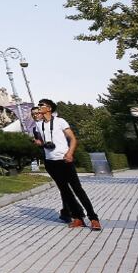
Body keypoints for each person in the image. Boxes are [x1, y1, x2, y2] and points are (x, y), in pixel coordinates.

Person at [34, 99, 101, 231]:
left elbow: (73, 139)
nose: (39, 107)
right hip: (50, 161)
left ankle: (93, 218)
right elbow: (44, 142)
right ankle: (78, 218)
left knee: (78, 189)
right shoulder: (39, 125)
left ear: (49, 108)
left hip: (64, 160)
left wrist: (70, 153)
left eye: (41, 105)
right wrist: (39, 143)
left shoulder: (60, 121)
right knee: (65, 191)